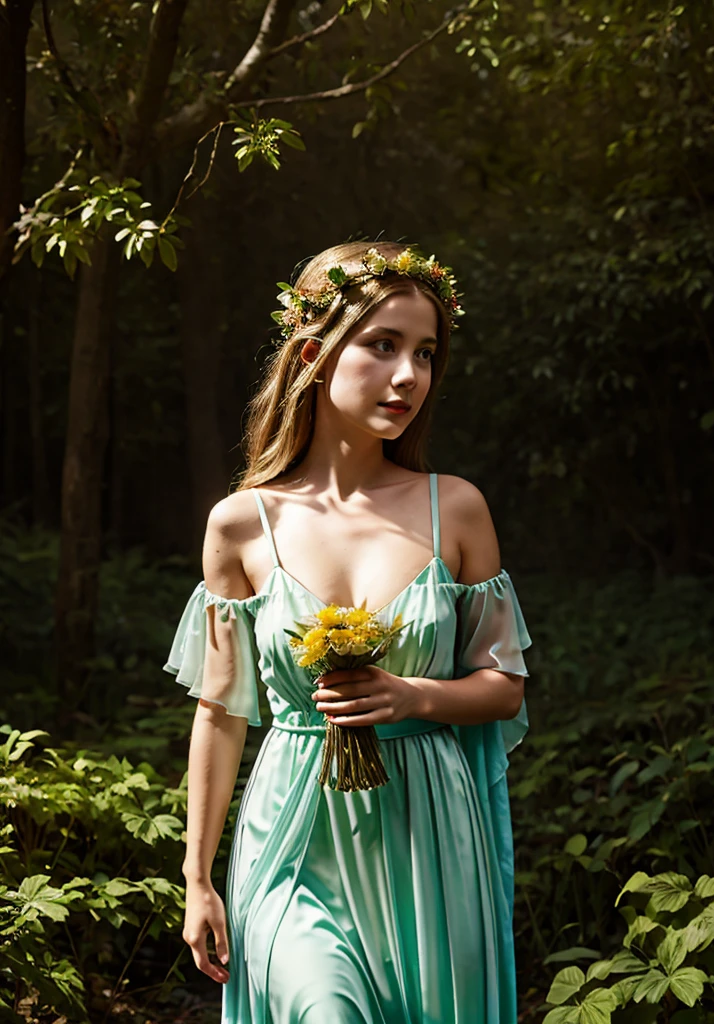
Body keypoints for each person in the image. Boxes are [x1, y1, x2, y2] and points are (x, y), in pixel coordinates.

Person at [163, 240, 532, 1023]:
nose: (409, 376)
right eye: (383, 345)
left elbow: (504, 690)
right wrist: (197, 878)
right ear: (314, 353)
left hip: (430, 840)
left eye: (426, 354)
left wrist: (414, 695)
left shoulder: (455, 508)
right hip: (293, 835)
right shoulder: (240, 526)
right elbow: (221, 715)